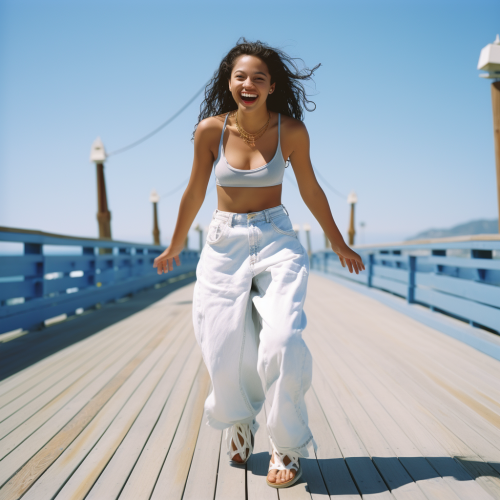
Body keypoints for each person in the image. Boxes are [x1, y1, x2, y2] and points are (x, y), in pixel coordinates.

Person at [153, 38, 365, 489]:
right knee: (223, 344)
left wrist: (339, 243)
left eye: (259, 78)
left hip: (276, 239)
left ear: (272, 87)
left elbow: (310, 190)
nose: (248, 84)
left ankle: (286, 444)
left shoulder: (290, 131)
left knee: (283, 339)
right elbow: (193, 192)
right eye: (240, 76)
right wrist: (173, 246)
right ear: (229, 82)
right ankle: (240, 421)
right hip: (223, 241)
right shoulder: (211, 130)